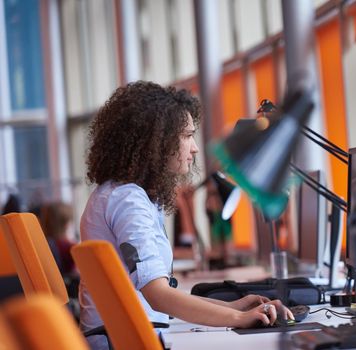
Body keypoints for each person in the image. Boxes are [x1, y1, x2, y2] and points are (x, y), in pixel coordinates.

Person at [80, 81, 292, 349]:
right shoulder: (126, 200)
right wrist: (238, 317)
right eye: (187, 136)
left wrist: (232, 306)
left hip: (132, 336)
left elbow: (160, 297)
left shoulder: (124, 194)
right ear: (155, 142)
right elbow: (158, 295)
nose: (193, 148)